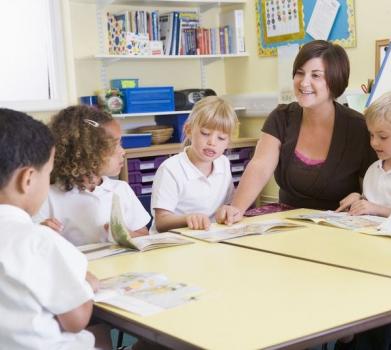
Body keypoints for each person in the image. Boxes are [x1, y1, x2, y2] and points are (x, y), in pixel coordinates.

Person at [216, 40, 375, 224]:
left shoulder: (358, 127)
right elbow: (260, 166)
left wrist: (361, 197)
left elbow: (378, 182)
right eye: (300, 73)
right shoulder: (281, 117)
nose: (304, 82)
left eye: (316, 75)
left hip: (339, 225)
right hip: (287, 222)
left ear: (335, 80)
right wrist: (236, 209)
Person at [0, 108, 104, 349]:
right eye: (48, 174)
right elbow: (77, 320)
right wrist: (84, 282)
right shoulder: (39, 240)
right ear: (27, 180)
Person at [34, 105, 150, 245]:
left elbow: (144, 234)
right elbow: (33, 242)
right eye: (115, 145)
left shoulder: (120, 189)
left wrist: (125, 234)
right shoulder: (47, 196)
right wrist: (42, 232)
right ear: (86, 152)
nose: (123, 151)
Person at [150, 96, 237, 232]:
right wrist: (188, 219)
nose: (212, 142)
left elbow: (229, 203)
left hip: (210, 238)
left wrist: (229, 210)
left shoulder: (223, 163)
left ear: (228, 142)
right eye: (205, 133)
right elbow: (161, 222)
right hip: (174, 243)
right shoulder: (170, 169)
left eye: (221, 138)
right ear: (189, 130)